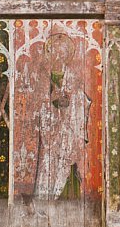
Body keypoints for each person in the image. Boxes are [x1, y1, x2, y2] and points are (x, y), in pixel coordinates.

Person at [34, 33, 87, 200]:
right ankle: (45, 200)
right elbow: (38, 102)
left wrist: (69, 101)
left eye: (63, 52)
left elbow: (81, 99)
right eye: (55, 51)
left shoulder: (72, 76)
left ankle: (68, 199)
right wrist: (50, 101)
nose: (59, 55)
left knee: (68, 162)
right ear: (50, 53)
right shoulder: (43, 76)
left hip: (68, 130)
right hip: (51, 130)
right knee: (48, 163)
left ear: (67, 55)